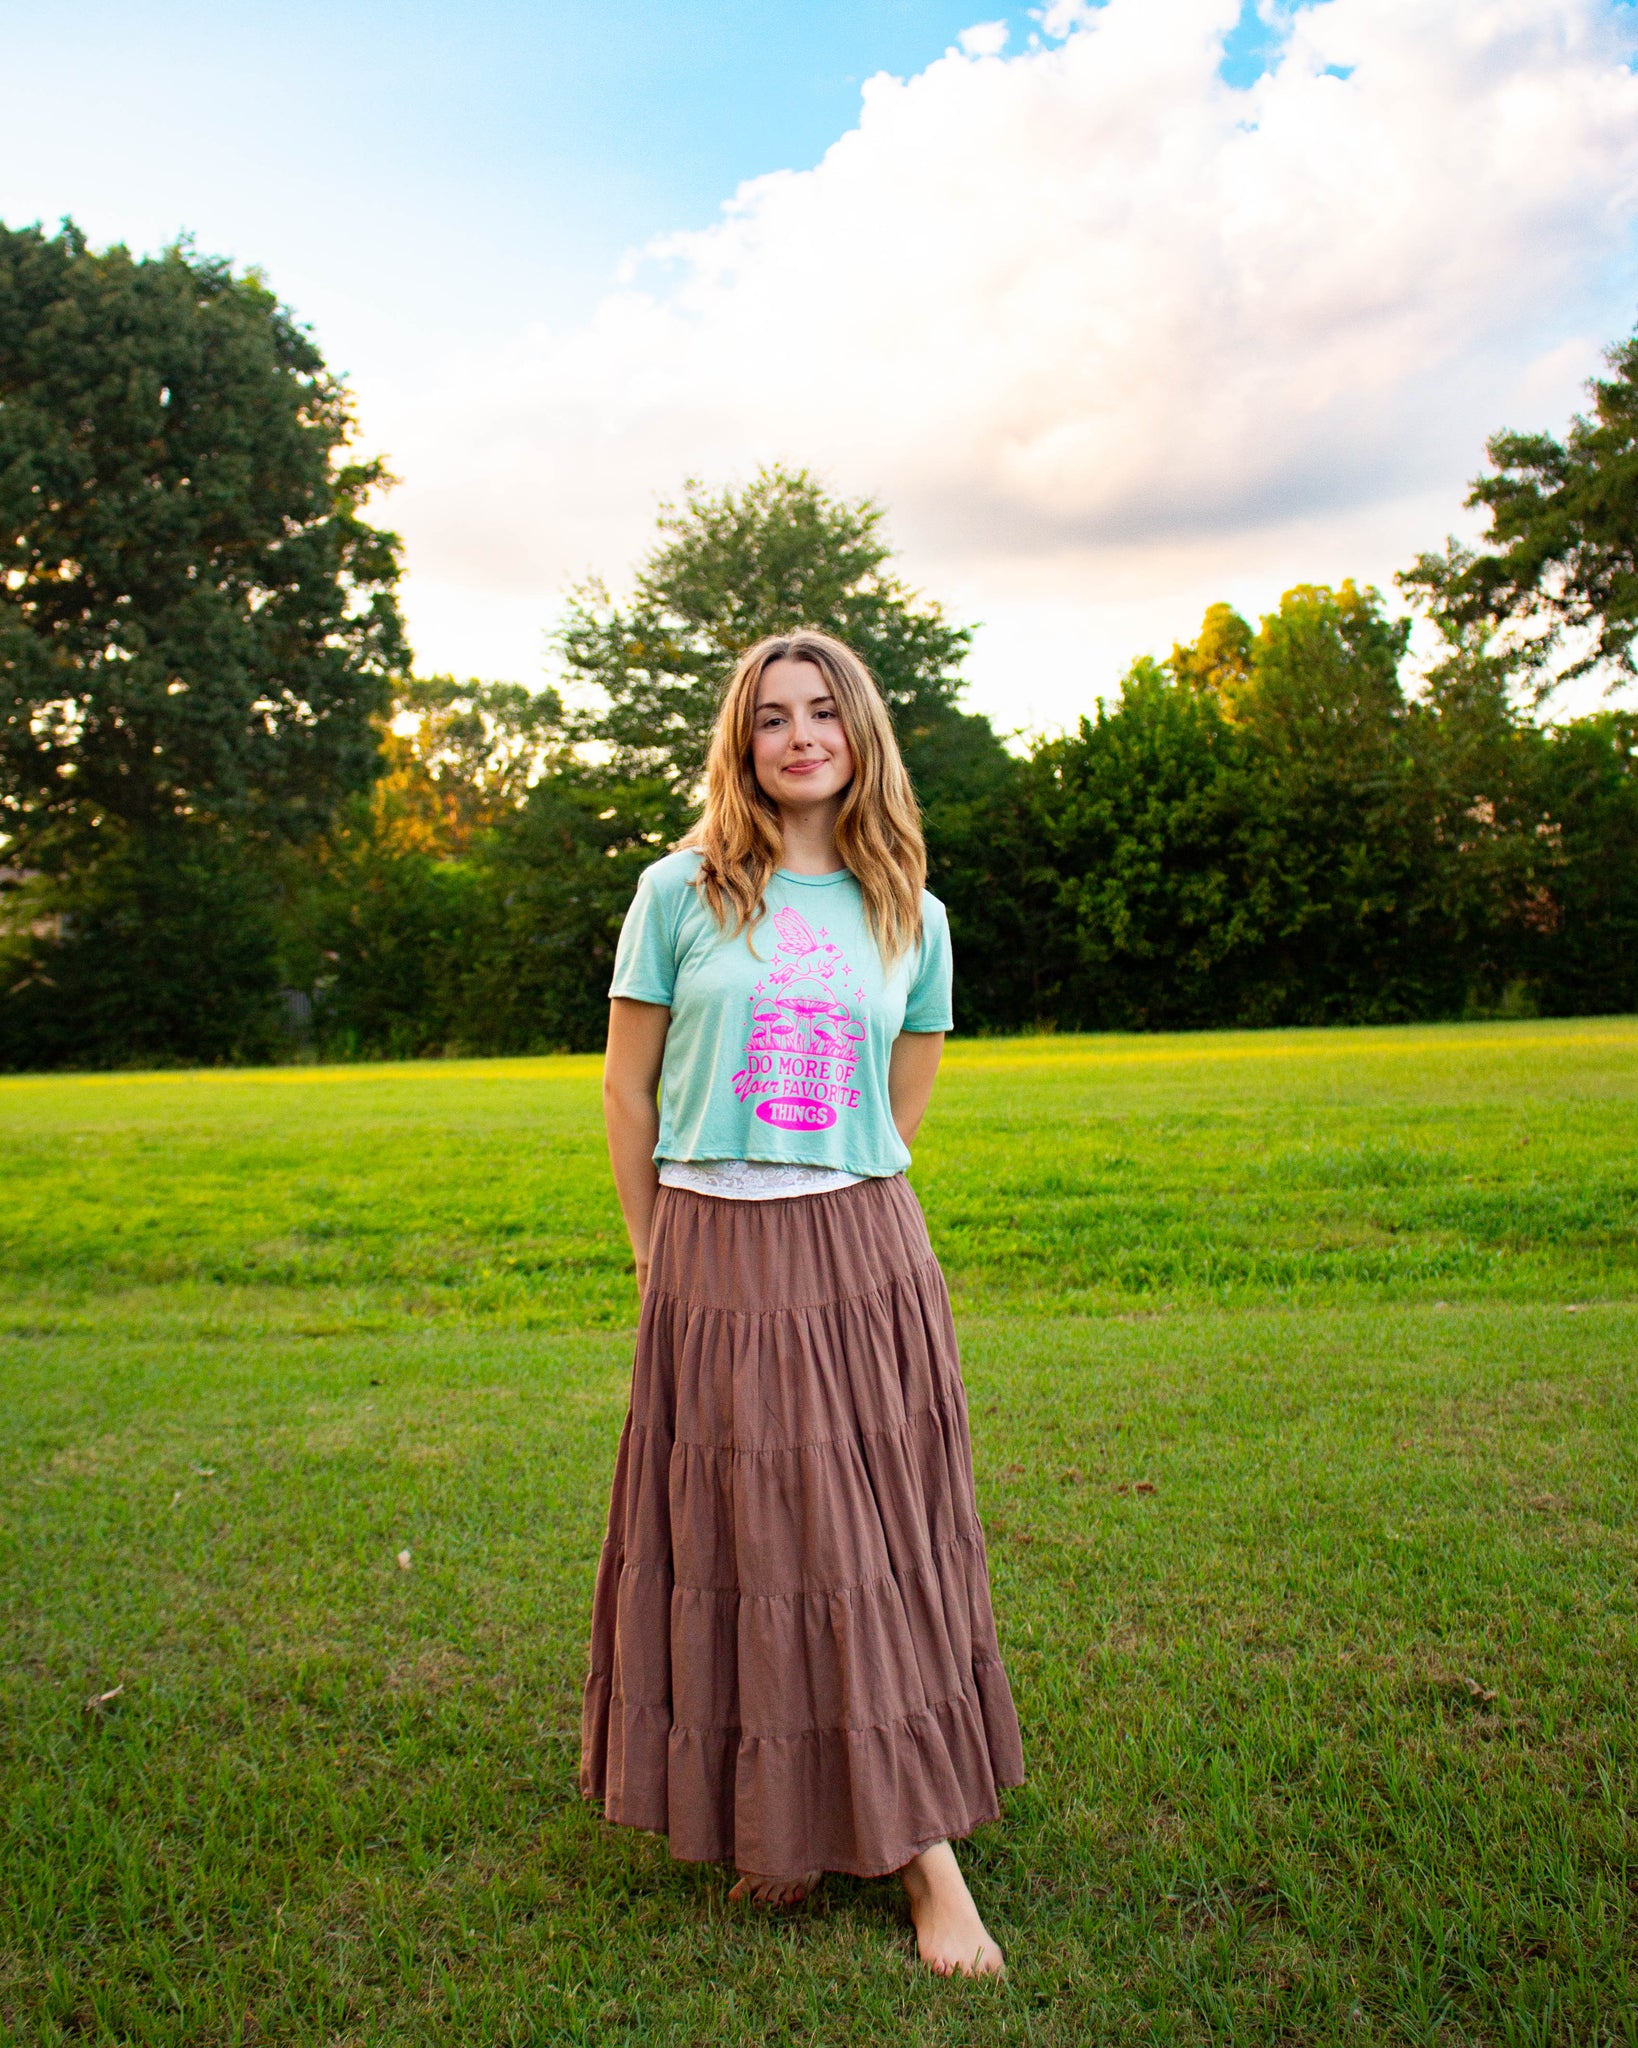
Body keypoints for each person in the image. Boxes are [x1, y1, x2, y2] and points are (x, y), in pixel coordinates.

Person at [580, 629, 1023, 1979]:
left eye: (821, 712)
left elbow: (902, 1097)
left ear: (858, 733)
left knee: (860, 1539)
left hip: (857, 1252)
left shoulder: (911, 912)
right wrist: (656, 1252)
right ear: (743, 741)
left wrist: (834, 1199)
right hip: (711, 1249)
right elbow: (626, 1090)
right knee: (748, 1540)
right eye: (770, 717)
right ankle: (780, 1823)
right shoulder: (678, 891)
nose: (798, 737)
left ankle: (925, 1858)